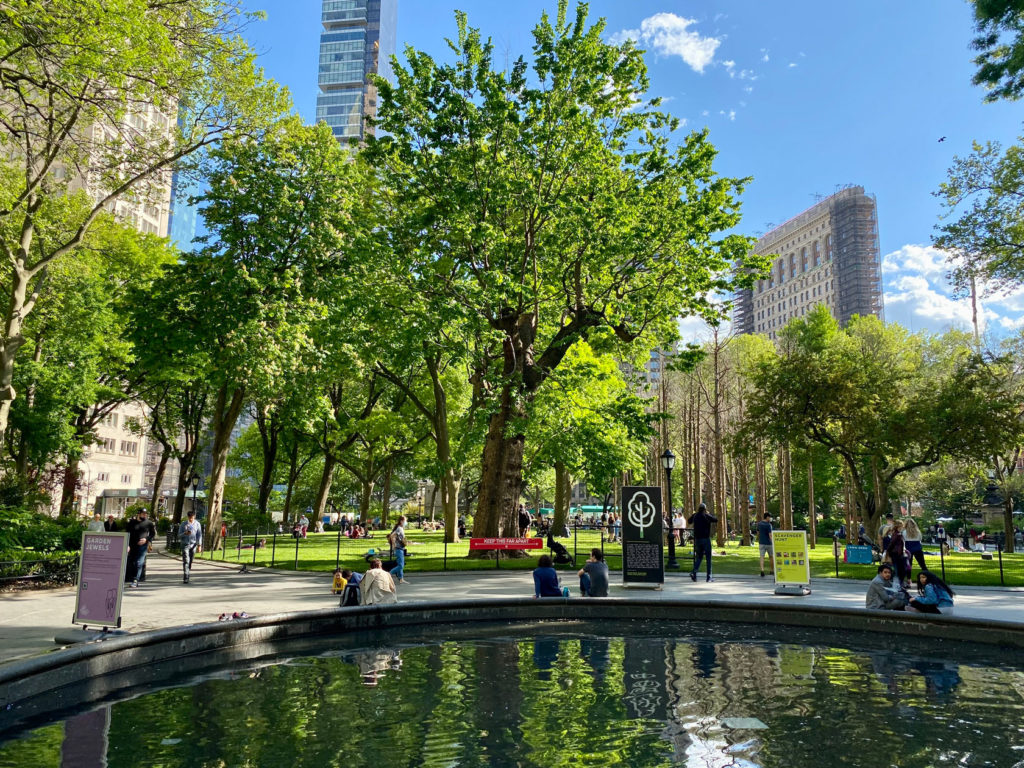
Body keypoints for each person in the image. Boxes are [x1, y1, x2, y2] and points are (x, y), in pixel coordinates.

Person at [687, 502, 717, 583]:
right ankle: (709, 577)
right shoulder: (706, 515)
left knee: (699, 557)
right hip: (706, 539)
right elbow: (715, 519)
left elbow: (689, 521)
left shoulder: (695, 515)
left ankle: (694, 572)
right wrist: (709, 514)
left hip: (697, 539)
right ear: (705, 509)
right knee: (708, 558)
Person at [126, 510, 156, 588]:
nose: (145, 515)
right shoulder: (131, 522)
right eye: (143, 514)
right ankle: (132, 578)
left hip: (142, 546)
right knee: (132, 562)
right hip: (132, 545)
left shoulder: (149, 523)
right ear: (138, 514)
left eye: (146, 514)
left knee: (139, 562)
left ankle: (135, 580)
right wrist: (127, 545)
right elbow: (127, 534)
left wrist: (146, 539)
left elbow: (153, 533)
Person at [178, 510, 203, 584]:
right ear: (188, 517)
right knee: (186, 560)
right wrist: (184, 533)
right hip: (185, 544)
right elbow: (179, 535)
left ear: (194, 517)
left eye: (192, 518)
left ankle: (188, 571)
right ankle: (186, 577)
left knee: (190, 561)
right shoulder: (183, 524)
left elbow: (199, 535)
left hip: (193, 545)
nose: (191, 519)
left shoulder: (197, 524)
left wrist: (199, 545)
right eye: (189, 518)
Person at [886, 519, 909, 586]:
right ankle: (898, 583)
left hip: (898, 553)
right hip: (896, 554)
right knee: (898, 569)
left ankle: (899, 582)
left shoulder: (897, 534)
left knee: (900, 569)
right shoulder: (897, 534)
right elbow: (892, 544)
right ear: (899, 526)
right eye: (902, 526)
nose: (903, 527)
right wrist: (888, 551)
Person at [389, 515, 409, 584]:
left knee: (400, 564)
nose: (406, 522)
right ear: (401, 521)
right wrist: (394, 545)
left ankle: (401, 579)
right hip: (398, 549)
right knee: (401, 565)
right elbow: (392, 535)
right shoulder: (399, 528)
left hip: (400, 548)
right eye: (405, 521)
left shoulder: (400, 528)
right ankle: (388, 575)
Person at [757, 512, 774, 578]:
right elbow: (770, 535)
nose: (770, 518)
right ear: (767, 517)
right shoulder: (769, 525)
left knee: (762, 556)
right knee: (771, 557)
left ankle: (762, 570)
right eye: (770, 517)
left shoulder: (759, 524)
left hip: (761, 543)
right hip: (769, 543)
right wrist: (772, 541)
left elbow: (758, 532)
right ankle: (772, 570)